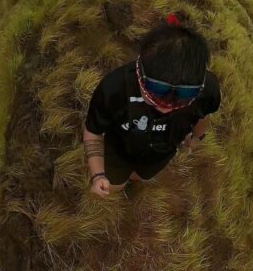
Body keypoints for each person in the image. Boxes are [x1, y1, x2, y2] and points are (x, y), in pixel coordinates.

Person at [82, 13, 222, 195]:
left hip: (161, 154)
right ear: (140, 74)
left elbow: (203, 115)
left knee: (141, 176)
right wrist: (98, 175)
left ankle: (134, 178)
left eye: (184, 95)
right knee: (115, 186)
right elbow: (93, 132)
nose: (166, 106)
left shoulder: (208, 90)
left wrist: (196, 138)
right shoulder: (114, 88)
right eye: (156, 92)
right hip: (118, 151)